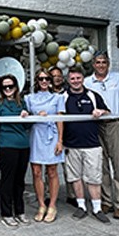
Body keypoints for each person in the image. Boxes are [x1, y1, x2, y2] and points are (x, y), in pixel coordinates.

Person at [84, 50, 119, 220]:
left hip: (116, 124)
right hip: (96, 126)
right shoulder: (86, 82)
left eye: (103, 62)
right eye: (97, 62)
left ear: (108, 63)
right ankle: (106, 201)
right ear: (93, 64)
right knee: (101, 165)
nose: (101, 65)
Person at [62, 67, 110, 224]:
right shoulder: (62, 97)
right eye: (72, 78)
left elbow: (108, 112)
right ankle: (81, 206)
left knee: (93, 178)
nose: (76, 81)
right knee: (75, 177)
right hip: (71, 144)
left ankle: (97, 208)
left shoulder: (93, 96)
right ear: (68, 80)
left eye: (78, 78)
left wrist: (101, 112)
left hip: (92, 144)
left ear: (83, 78)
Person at [0, 74, 31, 228]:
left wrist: (27, 117)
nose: (8, 89)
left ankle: (20, 211)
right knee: (7, 180)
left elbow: (28, 126)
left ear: (16, 87)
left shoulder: (22, 103)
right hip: (6, 145)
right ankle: (7, 213)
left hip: (23, 145)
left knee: (20, 181)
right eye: (4, 87)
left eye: (10, 86)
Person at [25, 69, 64, 223]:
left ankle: (52, 205)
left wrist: (60, 140)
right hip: (36, 135)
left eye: (47, 78)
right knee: (36, 171)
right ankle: (41, 204)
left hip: (52, 135)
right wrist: (34, 116)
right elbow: (25, 116)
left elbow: (60, 119)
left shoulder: (57, 97)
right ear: (37, 80)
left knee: (52, 171)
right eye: (41, 78)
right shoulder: (29, 98)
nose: (44, 81)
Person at [49, 66, 76, 207]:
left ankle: (72, 195)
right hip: (50, 133)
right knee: (50, 166)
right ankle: (49, 194)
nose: (57, 78)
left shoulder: (69, 91)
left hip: (68, 132)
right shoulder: (45, 92)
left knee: (69, 166)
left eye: (59, 75)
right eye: (53, 76)